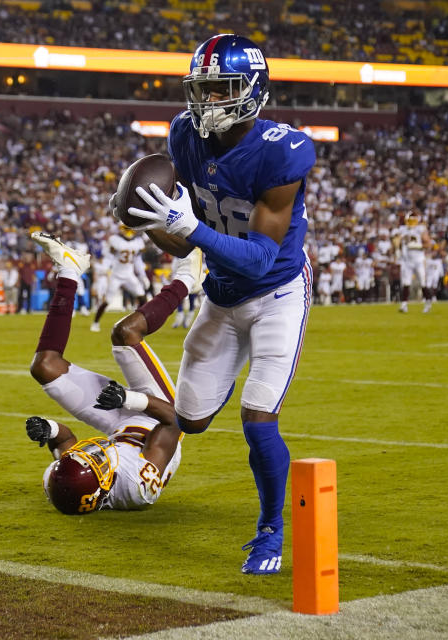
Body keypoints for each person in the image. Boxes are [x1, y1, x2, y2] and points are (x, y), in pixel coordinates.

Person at [123, 33, 316, 575]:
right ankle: (204, 390)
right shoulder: (185, 135)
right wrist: (151, 225)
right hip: (223, 297)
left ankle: (270, 531)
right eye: (202, 89)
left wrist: (189, 230)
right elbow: (186, 239)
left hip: (276, 291)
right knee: (190, 418)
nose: (208, 102)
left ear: (254, 89)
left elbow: (256, 257)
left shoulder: (283, 150)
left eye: (222, 89)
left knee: (259, 420)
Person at [26, 231, 193, 514]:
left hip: (119, 425)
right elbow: (176, 423)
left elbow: (66, 443)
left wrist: (50, 429)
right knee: (125, 333)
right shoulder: (136, 486)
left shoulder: (61, 484)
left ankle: (69, 269)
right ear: (105, 486)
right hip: (159, 416)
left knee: (45, 367)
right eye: (98, 462)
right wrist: (130, 399)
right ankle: (187, 279)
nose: (96, 453)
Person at [91, 226, 149, 332]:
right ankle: (95, 322)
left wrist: (143, 276)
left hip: (129, 275)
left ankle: (138, 323)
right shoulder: (115, 240)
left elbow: (137, 261)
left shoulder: (138, 241)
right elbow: (109, 257)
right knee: (107, 301)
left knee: (142, 298)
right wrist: (104, 268)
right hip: (116, 275)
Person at [396, 212, 433, 312]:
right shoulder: (402, 229)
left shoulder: (420, 229)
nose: (411, 223)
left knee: (423, 282)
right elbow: (398, 242)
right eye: (409, 221)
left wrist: (419, 246)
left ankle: (428, 302)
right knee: (406, 283)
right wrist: (398, 251)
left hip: (418, 260)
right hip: (407, 261)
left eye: (413, 221)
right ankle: (404, 305)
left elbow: (428, 244)